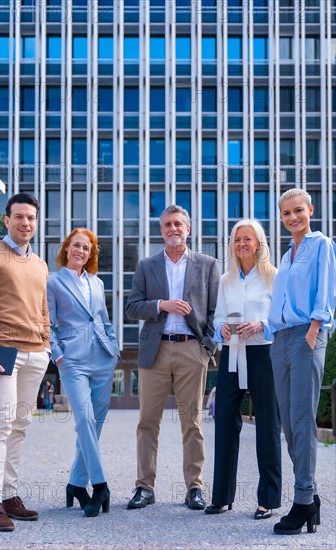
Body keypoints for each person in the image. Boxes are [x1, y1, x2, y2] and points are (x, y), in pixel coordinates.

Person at [125, 205, 219, 510]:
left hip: (192, 349)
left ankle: (195, 487)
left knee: (192, 421)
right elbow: (132, 307)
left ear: (188, 229)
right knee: (147, 422)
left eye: (178, 223)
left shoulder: (207, 265)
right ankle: (145, 487)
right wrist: (162, 304)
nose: (173, 228)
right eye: (167, 224)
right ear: (161, 230)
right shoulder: (147, 265)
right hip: (155, 350)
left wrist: (206, 346)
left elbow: (216, 311)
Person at [0, 193, 50, 532]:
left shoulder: (40, 263)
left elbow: (43, 309)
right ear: (7, 220)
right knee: (1, 425)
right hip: (3, 351)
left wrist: (46, 345)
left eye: (30, 217)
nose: (25, 223)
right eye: (19, 217)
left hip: (35, 353)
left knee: (20, 427)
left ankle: (9, 495)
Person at [268, 188, 336, 535]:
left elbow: (325, 290)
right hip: (279, 340)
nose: (293, 218)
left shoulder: (321, 244)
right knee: (289, 425)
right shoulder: (285, 254)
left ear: (311, 209)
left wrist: (313, 329)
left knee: (302, 419)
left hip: (305, 337)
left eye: (298, 211)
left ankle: (303, 501)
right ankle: (308, 495)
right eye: (286, 214)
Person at [204, 220, 282, 519]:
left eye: (248, 239)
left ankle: (268, 500)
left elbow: (281, 317)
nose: (242, 244)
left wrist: (262, 325)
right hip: (231, 355)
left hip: (264, 354)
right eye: (238, 240)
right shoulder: (225, 281)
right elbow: (219, 317)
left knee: (267, 424)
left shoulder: (274, 277)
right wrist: (222, 329)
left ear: (259, 243)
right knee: (224, 422)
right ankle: (222, 496)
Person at [47, 228, 119, 518]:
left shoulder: (97, 283)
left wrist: (113, 349)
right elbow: (47, 323)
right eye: (76, 245)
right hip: (73, 361)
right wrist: (58, 355)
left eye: (86, 248)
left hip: (102, 358)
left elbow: (104, 319)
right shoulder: (52, 282)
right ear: (67, 248)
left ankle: (76, 484)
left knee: (96, 423)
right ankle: (100, 485)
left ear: (91, 254)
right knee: (84, 419)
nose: (81, 251)